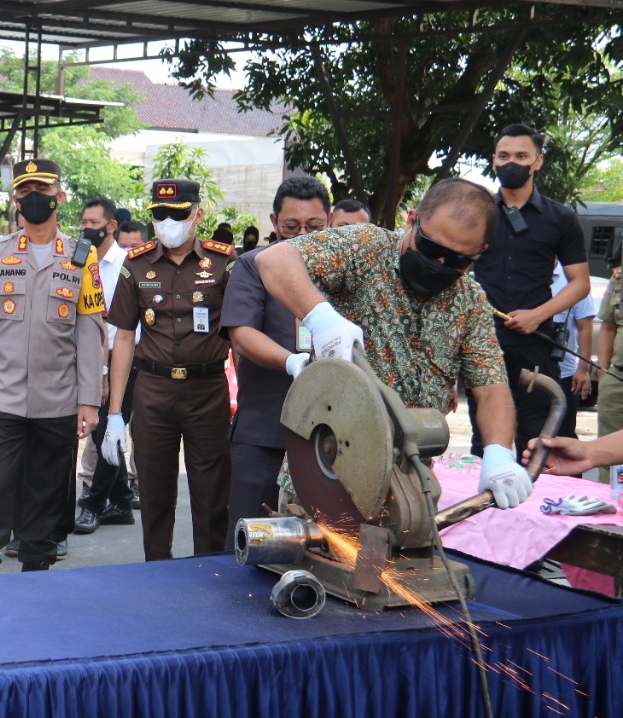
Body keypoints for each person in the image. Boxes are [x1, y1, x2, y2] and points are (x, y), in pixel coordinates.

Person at [257, 177, 532, 510]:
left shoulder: (470, 301)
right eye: (431, 249)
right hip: (323, 473)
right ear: (412, 219)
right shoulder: (366, 247)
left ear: (480, 253)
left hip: (408, 489)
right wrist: (322, 318)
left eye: (458, 260)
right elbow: (275, 261)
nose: (439, 265)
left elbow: (490, 387)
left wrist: (499, 454)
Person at [0, 158, 105, 574]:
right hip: (1, 401)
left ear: (60, 197)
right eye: (24, 192)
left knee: (45, 497)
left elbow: (91, 333)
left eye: (42, 190)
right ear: (16, 201)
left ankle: (37, 578)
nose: (33, 198)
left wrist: (89, 401)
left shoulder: (81, 256)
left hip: (58, 403)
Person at [103, 178, 233, 560]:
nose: (167, 223)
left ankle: (210, 572)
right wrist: (115, 415)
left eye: (177, 215)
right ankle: (157, 570)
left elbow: (238, 332)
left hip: (207, 388)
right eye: (159, 215)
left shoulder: (224, 261)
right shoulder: (136, 262)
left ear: (198, 214)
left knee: (211, 493)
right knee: (155, 490)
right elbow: (124, 337)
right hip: (153, 391)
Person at [221, 177, 330, 546]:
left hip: (331, 437)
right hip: (265, 428)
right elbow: (241, 334)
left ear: (328, 221)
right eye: (291, 227)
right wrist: (291, 363)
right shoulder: (252, 266)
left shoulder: (344, 272)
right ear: (273, 221)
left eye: (314, 227)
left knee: (325, 541)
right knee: (252, 539)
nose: (303, 235)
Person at [469, 124, 589, 459]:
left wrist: (538, 315)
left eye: (521, 156)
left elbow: (580, 282)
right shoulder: (476, 213)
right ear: (493, 160)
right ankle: (480, 511)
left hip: (537, 343)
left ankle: (537, 509)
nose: (512, 162)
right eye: (504, 156)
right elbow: (453, 270)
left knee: (538, 441)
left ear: (537, 161)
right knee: (484, 439)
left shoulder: (560, 217)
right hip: (482, 342)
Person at [74, 196, 137, 535]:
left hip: (123, 359)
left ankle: (94, 505)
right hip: (87, 356)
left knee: (107, 429)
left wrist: (108, 371)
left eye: (94, 224)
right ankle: (123, 501)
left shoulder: (129, 264)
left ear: (112, 227)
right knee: (100, 432)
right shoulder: (80, 258)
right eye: (84, 222)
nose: (87, 229)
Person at [548, 263, 595, 440]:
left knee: (563, 434)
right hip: (529, 368)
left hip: (565, 374)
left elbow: (585, 328)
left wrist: (582, 369)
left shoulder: (574, 280)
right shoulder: (525, 274)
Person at [597, 265, 623, 437]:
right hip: (617, 378)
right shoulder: (619, 278)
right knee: (607, 450)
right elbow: (607, 328)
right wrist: (603, 372)